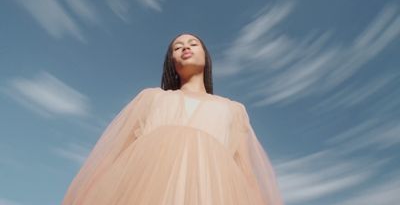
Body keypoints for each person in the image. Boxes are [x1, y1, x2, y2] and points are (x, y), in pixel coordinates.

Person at [61, 33, 285, 205]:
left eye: (193, 43)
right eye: (177, 47)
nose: (185, 47)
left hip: (211, 195)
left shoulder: (233, 109)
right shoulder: (152, 98)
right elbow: (116, 156)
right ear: (172, 63)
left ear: (207, 57)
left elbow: (245, 170)